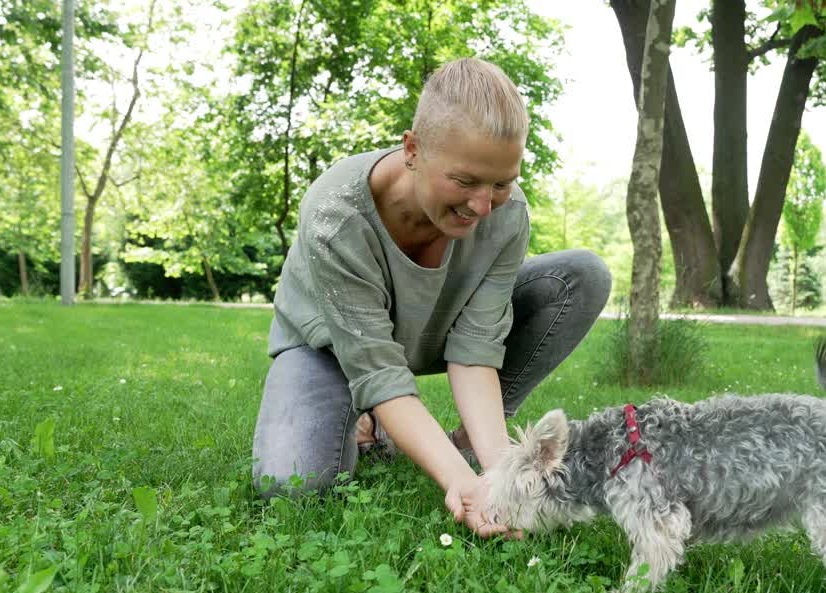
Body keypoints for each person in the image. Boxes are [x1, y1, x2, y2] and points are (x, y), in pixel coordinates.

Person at [251, 57, 611, 538]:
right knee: (293, 484)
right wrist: (458, 483)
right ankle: (378, 423)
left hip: (431, 330)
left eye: (501, 183)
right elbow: (377, 368)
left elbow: (476, 349)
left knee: (581, 274)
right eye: (465, 181)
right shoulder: (334, 213)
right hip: (332, 349)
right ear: (413, 149)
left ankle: (466, 441)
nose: (482, 206)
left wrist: (494, 477)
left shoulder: (507, 216)